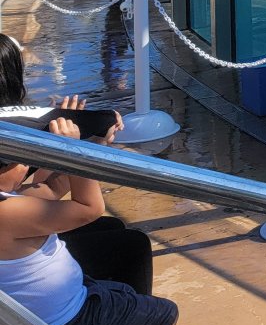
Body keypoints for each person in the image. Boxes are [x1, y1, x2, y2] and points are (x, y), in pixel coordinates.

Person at [0, 63, 199, 325]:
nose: (29, 168)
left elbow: (54, 186)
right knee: (163, 314)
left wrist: (95, 146)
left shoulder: (12, 204)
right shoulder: (9, 212)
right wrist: (71, 148)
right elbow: (89, 208)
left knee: (120, 288)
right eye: (24, 162)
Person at [0, 35, 154, 296]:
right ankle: (107, 322)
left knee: (111, 228)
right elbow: (83, 205)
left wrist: (80, 144)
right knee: (132, 245)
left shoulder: (11, 136)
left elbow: (43, 189)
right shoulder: (8, 137)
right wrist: (77, 151)